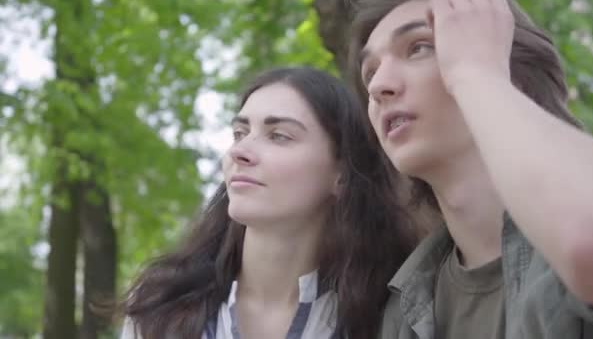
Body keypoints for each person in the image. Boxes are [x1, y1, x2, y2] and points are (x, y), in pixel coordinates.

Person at [348, 0, 593, 338]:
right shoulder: (404, 309)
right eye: (370, 74)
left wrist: (477, 73)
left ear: (512, 72)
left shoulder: (575, 230)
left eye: (419, 48)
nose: (379, 86)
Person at [118, 66, 419, 339]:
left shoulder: (391, 317)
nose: (240, 152)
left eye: (278, 136)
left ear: (341, 174)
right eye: (240, 133)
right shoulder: (160, 308)